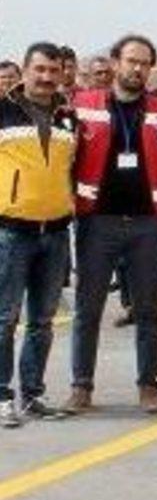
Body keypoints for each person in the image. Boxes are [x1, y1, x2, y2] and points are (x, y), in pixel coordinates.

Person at [67, 34, 157, 415]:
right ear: (115, 62)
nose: (137, 69)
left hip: (147, 223)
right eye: (131, 61)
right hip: (98, 222)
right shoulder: (83, 105)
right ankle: (81, 386)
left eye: (144, 63)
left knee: (148, 311)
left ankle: (148, 386)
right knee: (88, 309)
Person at [0, 43, 76, 428]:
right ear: (25, 70)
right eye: (39, 69)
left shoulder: (68, 117)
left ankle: (33, 394)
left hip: (56, 232)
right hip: (11, 232)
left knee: (42, 321)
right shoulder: (3, 112)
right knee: (4, 318)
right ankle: (2, 396)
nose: (46, 77)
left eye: (53, 71)